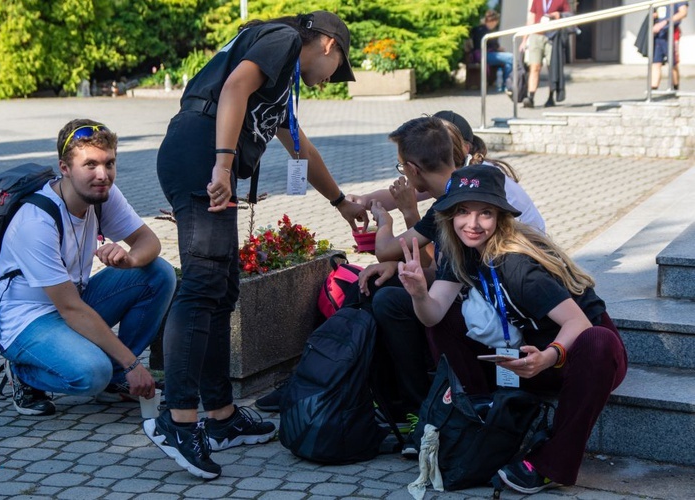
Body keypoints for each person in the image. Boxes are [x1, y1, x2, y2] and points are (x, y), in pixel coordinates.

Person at [150, 11, 367, 480]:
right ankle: (178, 418)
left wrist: (340, 203)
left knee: (222, 289)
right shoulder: (283, 40)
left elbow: (298, 146)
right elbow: (233, 89)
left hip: (206, 160)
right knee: (204, 284)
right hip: (200, 156)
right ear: (329, 44)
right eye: (338, 68)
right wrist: (223, 167)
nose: (332, 80)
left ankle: (222, 417)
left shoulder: (284, 77)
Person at [396, 164, 627, 494]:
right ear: (448, 215)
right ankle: (479, 417)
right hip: (525, 351)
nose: (472, 224)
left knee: (598, 342)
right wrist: (419, 293)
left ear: (500, 218)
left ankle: (551, 464)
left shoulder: (515, 261)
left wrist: (549, 357)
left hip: (577, 352)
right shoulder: (457, 250)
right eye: (462, 211)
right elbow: (432, 317)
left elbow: (579, 323)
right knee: (445, 314)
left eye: (485, 213)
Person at [358, 116, 545, 456]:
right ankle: (419, 411)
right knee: (391, 293)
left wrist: (387, 222)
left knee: (402, 303)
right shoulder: (464, 184)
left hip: (510, 309)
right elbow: (448, 266)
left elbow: (401, 251)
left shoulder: (463, 196)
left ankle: (435, 411)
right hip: (488, 293)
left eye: (401, 166)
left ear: (412, 169)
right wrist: (401, 268)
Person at [0, 119, 177, 417]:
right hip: (27, 320)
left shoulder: (103, 195)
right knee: (91, 373)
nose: (103, 175)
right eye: (90, 165)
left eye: (109, 163)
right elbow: (71, 310)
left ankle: (118, 378)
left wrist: (130, 259)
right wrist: (133, 363)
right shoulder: (36, 222)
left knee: (158, 273)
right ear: (64, 168)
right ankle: (23, 373)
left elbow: (148, 241)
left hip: (72, 301)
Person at [520, 0, 571, 108]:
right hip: (536, 35)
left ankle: (550, 97)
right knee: (534, 67)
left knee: (551, 67)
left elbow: (569, 15)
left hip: (552, 36)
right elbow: (531, 18)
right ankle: (531, 97)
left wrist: (559, 15)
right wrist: (524, 40)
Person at [470, 10, 513, 94]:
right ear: (493, 21)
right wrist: (499, 49)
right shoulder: (484, 31)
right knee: (511, 57)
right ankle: (506, 85)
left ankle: (507, 86)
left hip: (483, 54)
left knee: (508, 63)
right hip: (484, 55)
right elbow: (493, 45)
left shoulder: (480, 29)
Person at [651, 2, 689, 90]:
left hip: (671, 33)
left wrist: (665, 21)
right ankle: (653, 90)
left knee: (673, 63)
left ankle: (675, 88)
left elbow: (683, 12)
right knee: (656, 62)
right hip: (659, 35)